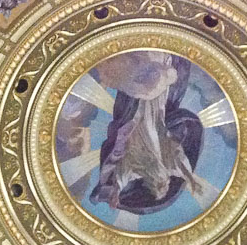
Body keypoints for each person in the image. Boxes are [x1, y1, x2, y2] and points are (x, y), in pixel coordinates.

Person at [88, 51, 206, 214]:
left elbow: (121, 175)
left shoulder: (138, 171)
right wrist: (191, 181)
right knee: (157, 90)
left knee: (139, 89)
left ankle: (143, 58)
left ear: (151, 185)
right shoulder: (168, 166)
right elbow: (181, 163)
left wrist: (116, 192)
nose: (165, 184)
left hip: (133, 123)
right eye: (166, 187)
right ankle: (161, 58)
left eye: (160, 187)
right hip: (157, 117)